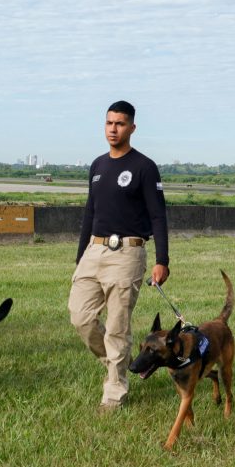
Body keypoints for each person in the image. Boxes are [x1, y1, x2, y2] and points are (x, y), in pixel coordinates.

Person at [68, 100, 169, 411]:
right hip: (94, 250)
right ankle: (117, 363)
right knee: (80, 316)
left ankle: (114, 393)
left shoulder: (143, 167)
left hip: (128, 251)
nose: (114, 129)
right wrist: (81, 253)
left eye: (120, 124)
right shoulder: (98, 166)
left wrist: (162, 259)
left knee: (117, 326)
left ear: (132, 128)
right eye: (109, 123)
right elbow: (90, 211)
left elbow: (158, 216)